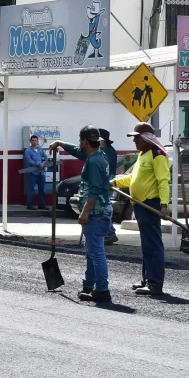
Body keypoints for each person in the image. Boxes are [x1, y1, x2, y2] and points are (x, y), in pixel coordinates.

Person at [113, 122, 172, 296]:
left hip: (150, 204)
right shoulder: (143, 154)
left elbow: (163, 181)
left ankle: (155, 283)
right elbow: (133, 178)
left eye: (137, 138)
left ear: (147, 138)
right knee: (147, 244)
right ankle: (146, 279)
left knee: (153, 244)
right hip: (139, 205)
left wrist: (164, 205)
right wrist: (115, 181)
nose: (134, 141)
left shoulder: (158, 155)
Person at [74, 126, 113, 302]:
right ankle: (89, 285)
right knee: (91, 251)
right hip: (99, 212)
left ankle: (102, 289)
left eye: (80, 140)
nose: (79, 144)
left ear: (85, 141)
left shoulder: (94, 161)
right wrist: (60, 144)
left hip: (96, 213)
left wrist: (85, 211)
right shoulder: (99, 157)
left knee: (96, 252)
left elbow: (95, 189)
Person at [22, 135, 47, 210]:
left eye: (35, 140)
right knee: (31, 189)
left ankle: (41, 204)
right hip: (32, 173)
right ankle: (29, 204)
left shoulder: (40, 149)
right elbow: (29, 161)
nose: (34, 142)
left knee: (42, 189)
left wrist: (43, 163)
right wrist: (39, 164)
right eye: (33, 140)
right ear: (30, 141)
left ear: (37, 141)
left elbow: (46, 157)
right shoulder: (28, 151)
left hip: (41, 172)